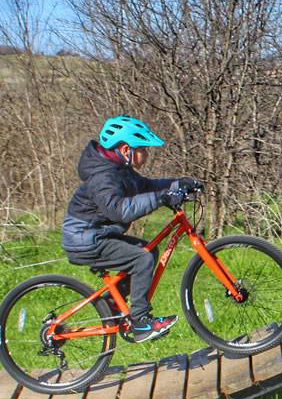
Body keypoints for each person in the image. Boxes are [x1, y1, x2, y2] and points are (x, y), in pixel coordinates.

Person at [61, 116, 202, 343]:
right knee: (142, 258)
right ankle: (140, 322)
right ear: (126, 150)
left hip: (97, 234)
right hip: (85, 240)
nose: (146, 155)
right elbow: (121, 210)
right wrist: (162, 198)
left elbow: (147, 186)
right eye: (143, 150)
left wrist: (179, 184)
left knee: (148, 250)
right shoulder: (103, 177)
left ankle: (111, 304)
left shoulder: (119, 169)